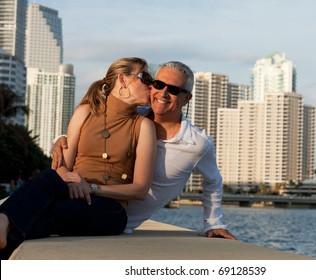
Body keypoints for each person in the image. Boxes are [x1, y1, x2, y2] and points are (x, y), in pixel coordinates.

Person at [52, 61, 236, 240]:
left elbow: (213, 182)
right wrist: (61, 139)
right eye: (158, 84)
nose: (163, 93)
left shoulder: (196, 143)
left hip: (116, 217)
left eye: (173, 90)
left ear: (187, 98)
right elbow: (94, 131)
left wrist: (213, 223)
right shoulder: (134, 117)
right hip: (82, 199)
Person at [0, 57, 157, 259]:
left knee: (52, 211)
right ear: (123, 79)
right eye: (145, 77)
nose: (150, 85)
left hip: (109, 209)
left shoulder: (143, 126)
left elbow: (141, 189)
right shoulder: (85, 112)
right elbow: (62, 166)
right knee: (48, 177)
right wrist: (72, 178)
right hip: (70, 190)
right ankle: (3, 223)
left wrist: (90, 187)